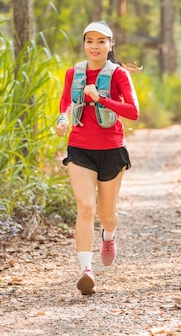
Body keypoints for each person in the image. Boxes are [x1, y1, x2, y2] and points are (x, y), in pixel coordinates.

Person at [55, 21, 139, 295]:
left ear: (110, 45)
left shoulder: (118, 75)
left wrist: (101, 98)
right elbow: (66, 100)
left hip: (112, 149)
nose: (94, 46)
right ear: (84, 44)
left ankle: (109, 235)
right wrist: (63, 118)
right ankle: (86, 271)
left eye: (101, 41)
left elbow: (133, 112)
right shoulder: (74, 73)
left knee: (106, 215)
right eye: (90, 41)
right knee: (85, 208)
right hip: (79, 148)